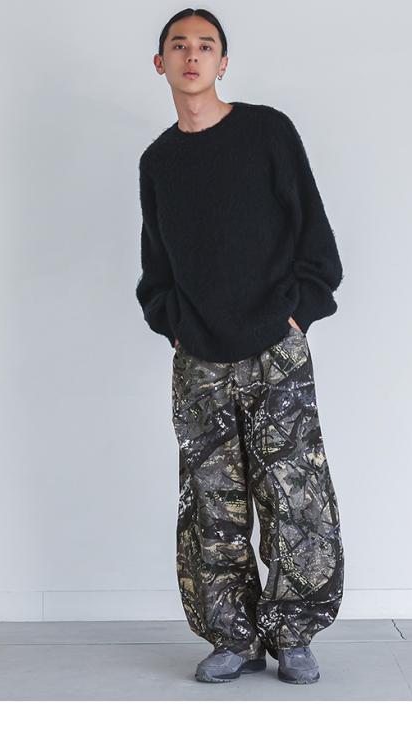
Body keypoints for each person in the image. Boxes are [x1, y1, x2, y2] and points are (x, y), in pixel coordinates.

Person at [136, 8, 345, 685]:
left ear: (223, 62)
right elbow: (156, 268)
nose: (192, 56)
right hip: (199, 359)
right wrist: (172, 322)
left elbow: (315, 236)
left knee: (295, 495)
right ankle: (233, 637)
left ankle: (293, 635)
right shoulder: (159, 161)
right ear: (161, 63)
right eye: (179, 45)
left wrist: (298, 314)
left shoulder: (266, 132)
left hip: (275, 349)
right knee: (212, 504)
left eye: (206, 46)